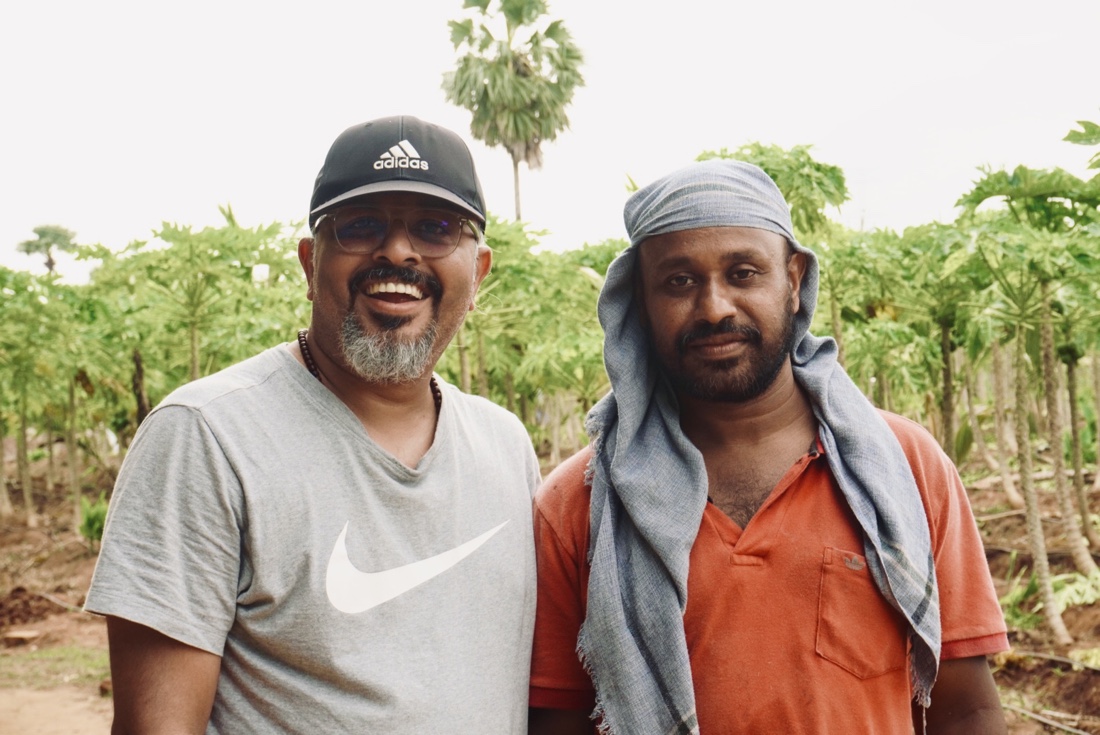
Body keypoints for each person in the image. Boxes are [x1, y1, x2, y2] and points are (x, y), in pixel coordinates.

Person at [85, 115, 540, 734]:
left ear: (479, 270)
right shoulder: (207, 437)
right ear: (309, 262)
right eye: (361, 225)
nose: (397, 251)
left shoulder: (505, 444)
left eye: (436, 228)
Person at [527, 160, 1009, 734]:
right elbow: (560, 721)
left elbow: (967, 707)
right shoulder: (580, 504)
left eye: (743, 273)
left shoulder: (905, 467)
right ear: (639, 302)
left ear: (794, 280)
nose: (714, 308)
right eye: (679, 281)